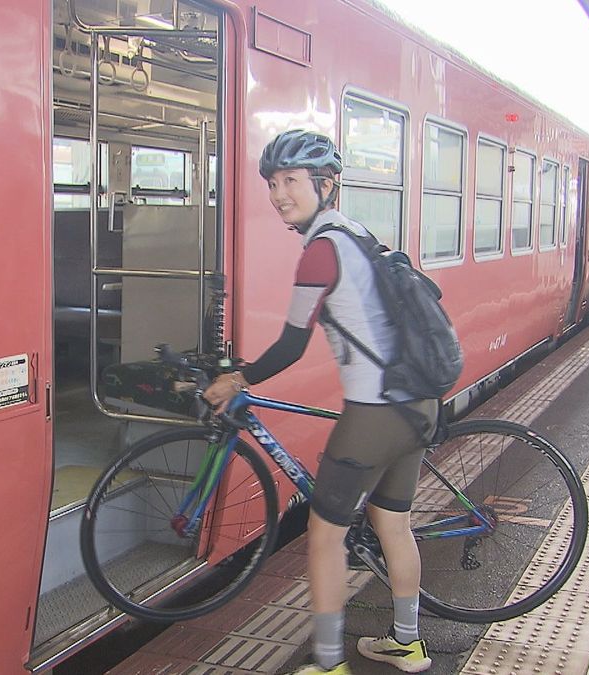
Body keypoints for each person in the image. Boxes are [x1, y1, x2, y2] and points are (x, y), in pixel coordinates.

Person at [203, 129, 436, 674]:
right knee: (393, 525)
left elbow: (291, 342)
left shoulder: (321, 251)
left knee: (323, 536)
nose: (280, 193)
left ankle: (329, 665)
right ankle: (408, 644)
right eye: (273, 183)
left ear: (325, 183)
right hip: (418, 403)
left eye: (291, 181)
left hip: (376, 414)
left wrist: (239, 378)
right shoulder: (356, 233)